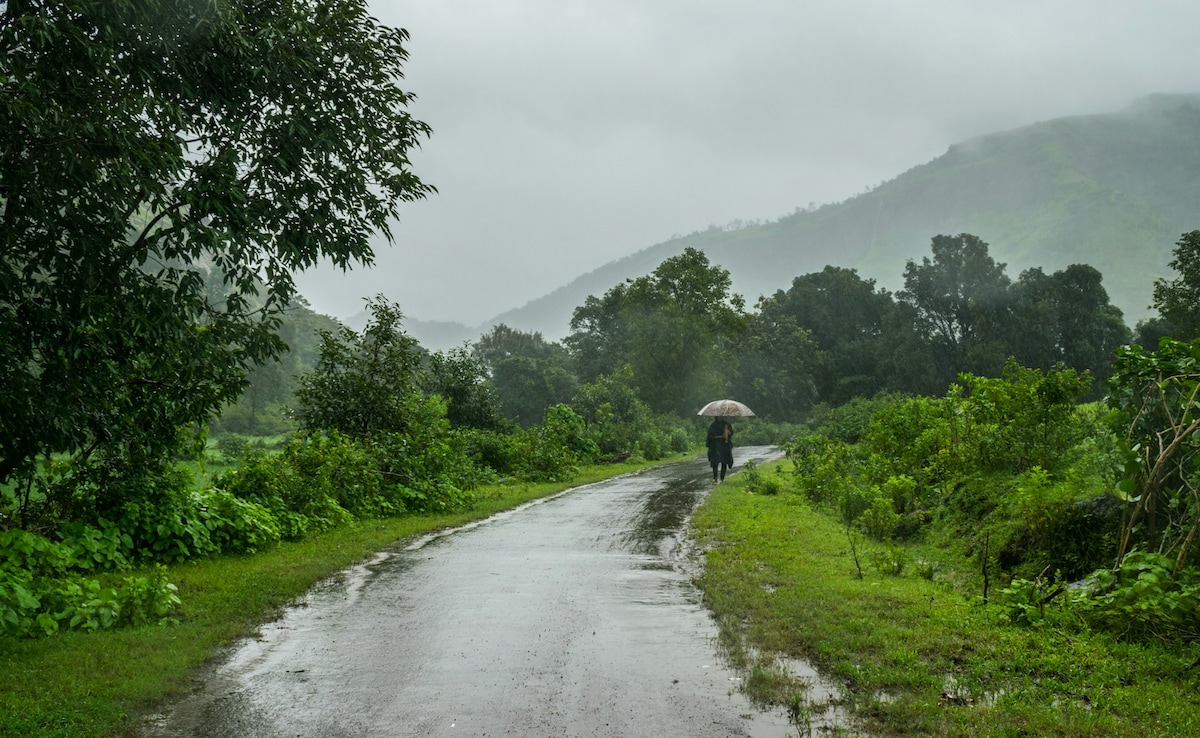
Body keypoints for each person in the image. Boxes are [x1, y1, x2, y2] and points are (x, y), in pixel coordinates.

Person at [706, 416, 734, 482]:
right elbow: (710, 436)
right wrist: (721, 436)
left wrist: (728, 432)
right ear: (716, 416)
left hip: (725, 446)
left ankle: (722, 478)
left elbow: (731, 433)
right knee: (715, 463)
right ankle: (715, 478)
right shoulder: (713, 426)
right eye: (719, 416)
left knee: (724, 462)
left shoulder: (727, 424)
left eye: (722, 416)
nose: (721, 417)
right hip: (715, 446)